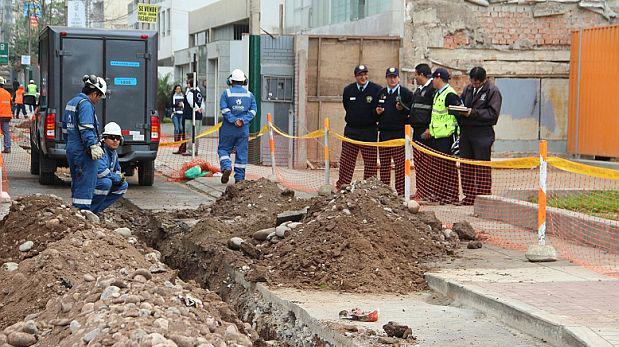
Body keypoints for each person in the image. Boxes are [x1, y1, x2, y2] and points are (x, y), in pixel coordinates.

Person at [61, 74, 106, 210]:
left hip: (72, 148)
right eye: (99, 96)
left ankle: (76, 211)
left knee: (77, 180)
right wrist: (92, 145)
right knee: (86, 181)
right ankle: (83, 212)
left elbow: (65, 129)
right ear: (94, 93)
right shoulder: (86, 104)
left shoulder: (72, 102)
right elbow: (86, 128)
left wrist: (71, 145)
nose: (98, 100)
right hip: (83, 150)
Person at [458, 66, 502, 205]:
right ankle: (469, 196)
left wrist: (473, 113)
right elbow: (461, 103)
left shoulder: (492, 91)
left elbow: (493, 114)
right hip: (466, 132)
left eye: (478, 83)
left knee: (482, 165)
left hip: (483, 133)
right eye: (473, 82)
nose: (475, 84)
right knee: (466, 165)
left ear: (484, 80)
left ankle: (484, 197)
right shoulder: (468, 89)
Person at [336, 64, 382, 189]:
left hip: (369, 130)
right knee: (346, 160)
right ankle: (343, 186)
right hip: (352, 130)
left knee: (370, 162)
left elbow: (378, 109)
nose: (363, 77)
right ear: (355, 76)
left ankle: (369, 187)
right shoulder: (348, 90)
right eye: (360, 75)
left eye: (365, 74)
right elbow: (346, 106)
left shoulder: (376, 90)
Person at [423, 67, 461, 204]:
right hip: (437, 136)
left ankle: (451, 195)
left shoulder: (450, 95)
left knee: (448, 168)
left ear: (439, 78)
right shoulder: (438, 93)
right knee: (439, 167)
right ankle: (440, 194)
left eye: (433, 78)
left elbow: (459, 114)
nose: (432, 81)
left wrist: (457, 136)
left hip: (447, 136)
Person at [375, 67, 413, 196]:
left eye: (394, 77)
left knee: (400, 165)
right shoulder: (381, 92)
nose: (392, 79)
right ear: (386, 78)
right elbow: (374, 112)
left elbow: (411, 111)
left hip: (399, 134)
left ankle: (401, 192)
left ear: (398, 78)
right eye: (390, 77)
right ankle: (384, 191)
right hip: (385, 133)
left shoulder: (405, 93)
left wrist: (402, 109)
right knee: (384, 164)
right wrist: (377, 112)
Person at [218, 69, 257, 184]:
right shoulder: (249, 95)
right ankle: (239, 179)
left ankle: (226, 167)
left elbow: (224, 110)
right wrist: (243, 120)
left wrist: (234, 120)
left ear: (231, 81)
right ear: (244, 81)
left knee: (223, 149)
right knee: (241, 153)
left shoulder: (226, 93)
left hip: (228, 128)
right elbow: (254, 111)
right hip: (243, 129)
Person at [409, 63, 436, 200]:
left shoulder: (432, 89)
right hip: (417, 131)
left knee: (427, 164)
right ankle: (421, 190)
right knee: (419, 163)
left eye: (416, 74)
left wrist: (430, 128)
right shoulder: (419, 90)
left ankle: (428, 191)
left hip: (426, 132)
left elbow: (434, 111)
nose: (415, 77)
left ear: (422, 75)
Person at [92, 122, 128, 213]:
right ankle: (90, 209)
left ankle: (97, 210)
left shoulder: (113, 153)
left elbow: (117, 170)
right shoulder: (100, 151)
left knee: (123, 185)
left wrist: (119, 177)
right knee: (106, 183)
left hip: (101, 181)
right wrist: (116, 177)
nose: (115, 140)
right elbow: (101, 172)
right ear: (104, 139)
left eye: (118, 138)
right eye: (112, 137)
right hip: (90, 183)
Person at [184, 77, 204, 156]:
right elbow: (202, 102)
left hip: (190, 116)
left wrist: (197, 108)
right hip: (199, 116)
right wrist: (201, 109)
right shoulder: (199, 93)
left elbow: (191, 102)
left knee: (189, 133)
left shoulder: (190, 92)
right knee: (197, 134)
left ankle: (189, 150)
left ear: (190, 84)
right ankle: (196, 150)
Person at [169, 84, 187, 154]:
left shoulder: (183, 96)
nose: (178, 90)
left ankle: (180, 140)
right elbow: (170, 104)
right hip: (175, 114)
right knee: (177, 128)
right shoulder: (172, 96)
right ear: (175, 90)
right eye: (177, 89)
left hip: (181, 114)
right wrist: (177, 105)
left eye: (180, 89)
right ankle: (176, 140)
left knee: (181, 128)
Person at [0, 77, 12, 153]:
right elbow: (11, 104)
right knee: (6, 132)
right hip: (7, 115)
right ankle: (7, 148)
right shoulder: (7, 93)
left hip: (0, 115)